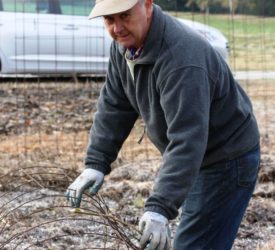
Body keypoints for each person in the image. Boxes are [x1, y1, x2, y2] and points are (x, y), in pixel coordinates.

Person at [66, 0, 261, 249]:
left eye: (125, 15)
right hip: (195, 156)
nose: (117, 28)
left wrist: (159, 207)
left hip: (225, 160)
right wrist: (96, 163)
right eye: (109, 19)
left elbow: (187, 139)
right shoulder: (125, 45)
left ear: (147, 5)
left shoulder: (182, 60)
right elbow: (115, 105)